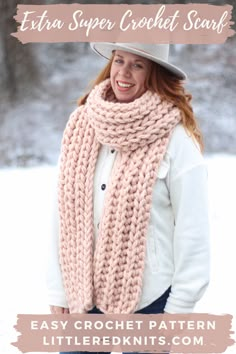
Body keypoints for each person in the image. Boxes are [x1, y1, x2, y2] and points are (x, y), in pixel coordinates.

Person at [47, 43, 210, 354]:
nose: (123, 72)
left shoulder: (176, 140)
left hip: (151, 302)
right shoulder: (82, 124)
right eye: (119, 60)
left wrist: (179, 310)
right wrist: (58, 291)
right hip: (83, 295)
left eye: (138, 65)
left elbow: (193, 231)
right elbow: (60, 214)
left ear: (155, 74)